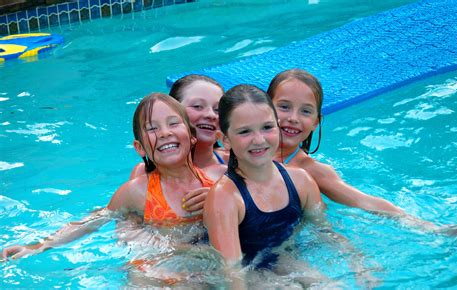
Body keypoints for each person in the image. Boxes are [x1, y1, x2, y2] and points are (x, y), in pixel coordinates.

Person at [2, 93, 226, 262]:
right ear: (140, 148)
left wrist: (219, 199)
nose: (165, 133)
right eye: (152, 128)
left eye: (173, 123)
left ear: (192, 137)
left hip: (205, 265)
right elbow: (94, 221)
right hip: (162, 269)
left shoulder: (221, 180)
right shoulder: (137, 191)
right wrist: (38, 246)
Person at [203, 84, 375, 288]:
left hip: (283, 259)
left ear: (277, 127)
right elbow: (232, 271)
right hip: (248, 273)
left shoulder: (301, 180)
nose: (259, 140)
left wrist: (358, 262)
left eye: (267, 127)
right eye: (244, 131)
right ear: (225, 140)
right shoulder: (225, 198)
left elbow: (325, 231)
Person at [267, 68, 457, 234]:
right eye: (284, 107)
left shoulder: (311, 171)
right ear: (265, 108)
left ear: (315, 122)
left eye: (305, 111)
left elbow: (363, 201)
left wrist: (431, 228)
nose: (293, 117)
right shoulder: (237, 147)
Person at [129, 75, 228, 213]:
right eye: (198, 106)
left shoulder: (231, 163)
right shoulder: (143, 174)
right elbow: (131, 217)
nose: (211, 115)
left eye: (218, 110)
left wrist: (222, 198)